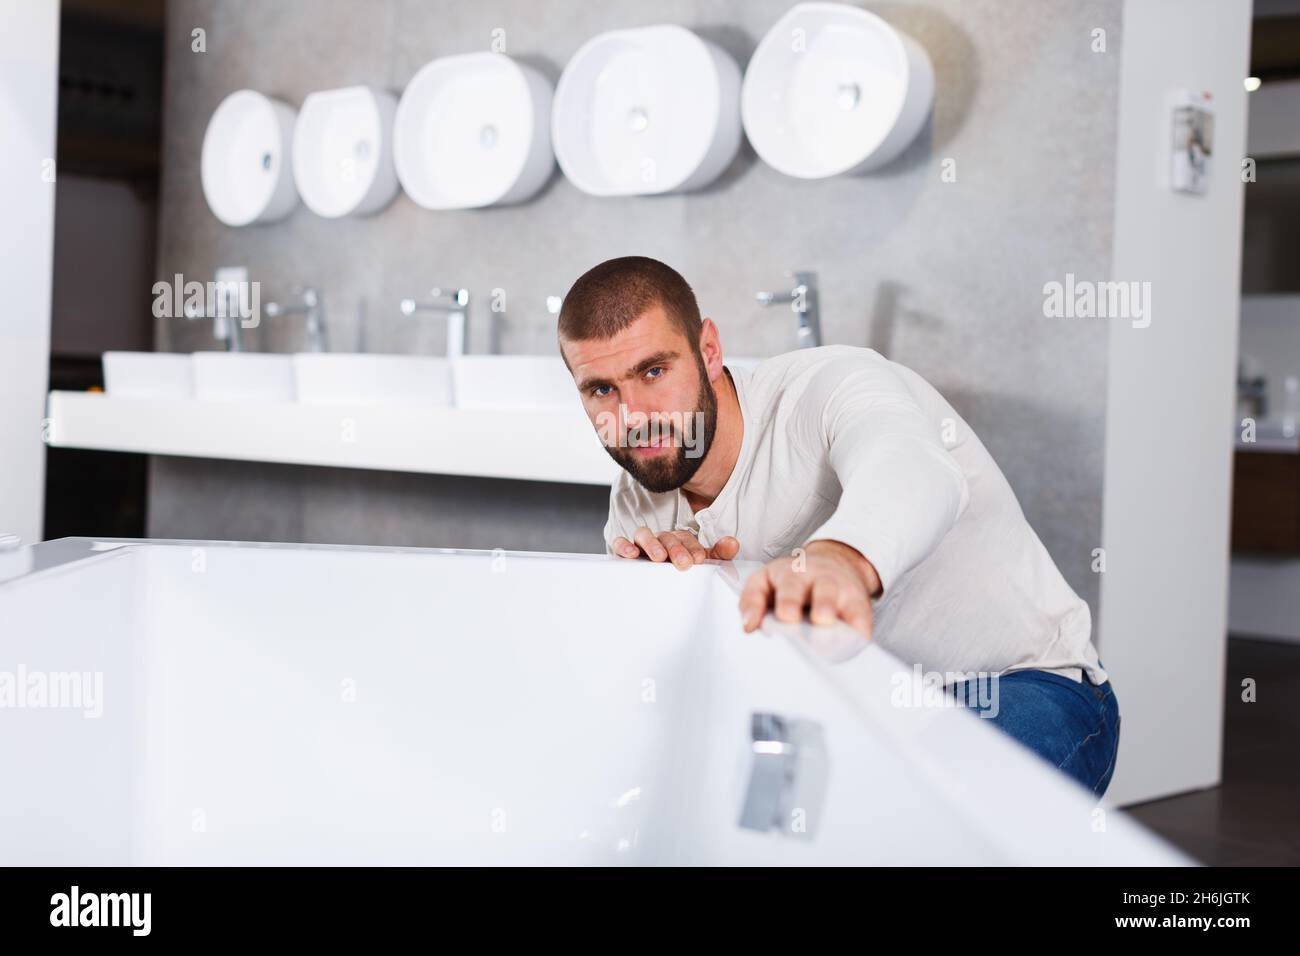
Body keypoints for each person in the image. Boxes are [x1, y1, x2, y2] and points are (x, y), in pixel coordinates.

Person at [557, 255, 1120, 798]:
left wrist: (839, 558)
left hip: (1018, 683)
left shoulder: (829, 387)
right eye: (601, 389)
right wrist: (678, 590)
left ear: (708, 350)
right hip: (845, 710)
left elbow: (914, 468)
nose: (631, 416)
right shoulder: (637, 500)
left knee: (915, 830)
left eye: (653, 371)